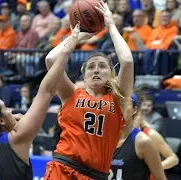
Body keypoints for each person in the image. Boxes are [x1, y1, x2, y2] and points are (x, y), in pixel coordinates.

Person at [0, 23, 82, 180]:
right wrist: (68, 49)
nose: (11, 110)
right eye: (5, 108)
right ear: (0, 120)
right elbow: (47, 91)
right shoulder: (16, 139)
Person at [44, 1, 134, 179]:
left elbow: (127, 61)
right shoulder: (71, 94)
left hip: (95, 175)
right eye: (91, 67)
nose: (96, 70)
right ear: (84, 77)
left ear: (111, 74)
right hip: (64, 168)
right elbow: (50, 60)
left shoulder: (118, 99)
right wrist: (76, 38)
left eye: (102, 66)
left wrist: (111, 25)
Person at [110, 93, 167, 180]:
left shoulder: (143, 141)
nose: (120, 108)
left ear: (135, 110)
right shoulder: (100, 138)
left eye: (125, 104)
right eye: (116, 104)